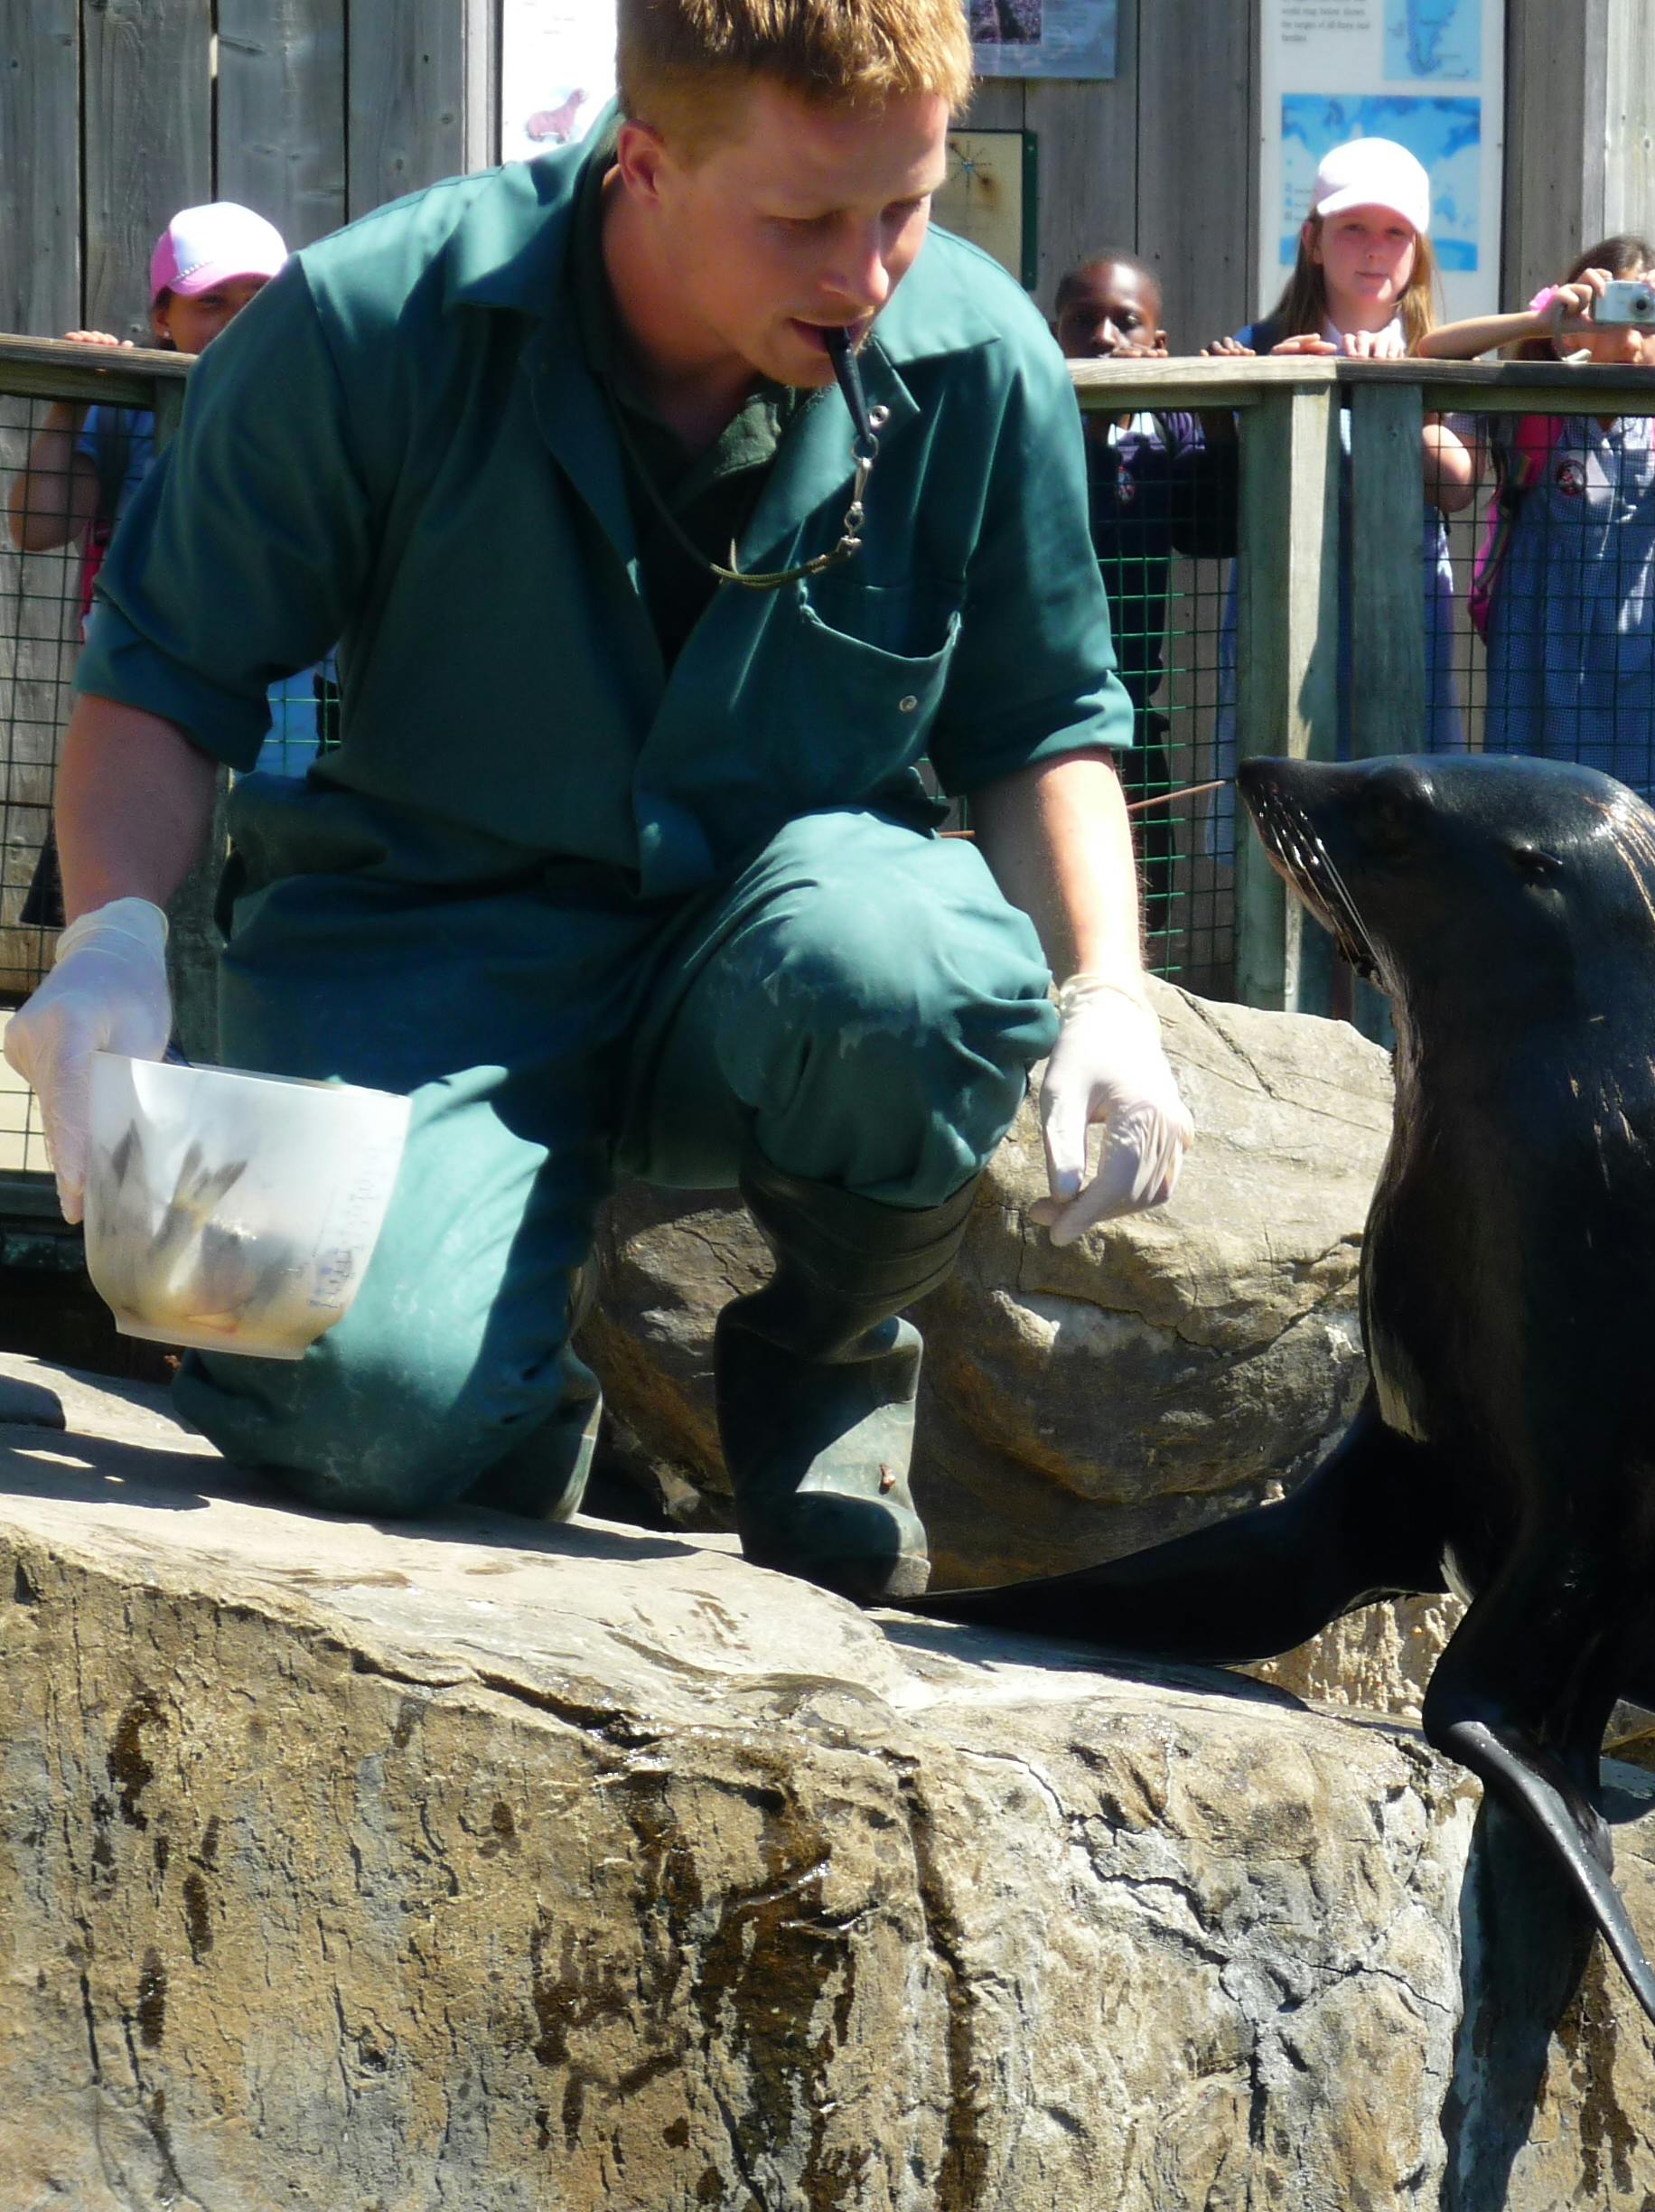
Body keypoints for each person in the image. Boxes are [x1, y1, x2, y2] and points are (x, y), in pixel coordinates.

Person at [4, 0, 1192, 1607]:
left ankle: (822, 1381)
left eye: (905, 206)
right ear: (638, 161)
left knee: (924, 974)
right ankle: (496, 1394)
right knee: (370, 1422)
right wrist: (117, 934)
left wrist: (1104, 990)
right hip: (429, 932)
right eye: (804, 220)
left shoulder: (974, 358)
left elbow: (1042, 724)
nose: (867, 274)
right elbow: (161, 675)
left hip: (775, 938)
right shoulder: (371, 321)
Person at [3, 202, 332, 928]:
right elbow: (36, 525)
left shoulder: (314, 400)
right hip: (148, 674)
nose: (238, 321)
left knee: (271, 857)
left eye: (259, 301)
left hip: (288, 682)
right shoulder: (128, 408)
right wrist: (72, 399)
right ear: (162, 318)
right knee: (138, 871)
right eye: (210, 302)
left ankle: (243, 1017)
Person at [1419, 234, 1655, 818]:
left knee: (1639, 819)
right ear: (1574, 322)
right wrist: (1537, 320)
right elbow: (1429, 350)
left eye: (1648, 317)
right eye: (1611, 315)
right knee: (1530, 817)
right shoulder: (1521, 396)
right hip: (1536, 643)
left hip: (1639, 646)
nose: (1630, 339)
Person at [1210, 136, 1475, 749]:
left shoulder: (1444, 352)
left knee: (1405, 812)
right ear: (1313, 241)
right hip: (1282, 614)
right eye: (1354, 227)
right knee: (1282, 802)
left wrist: (1397, 389)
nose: (1375, 251)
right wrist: (1273, 389)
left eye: (1396, 233)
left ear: (1418, 250)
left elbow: (1457, 489)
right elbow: (1222, 501)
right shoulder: (1258, 344)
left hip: (1405, 616)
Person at [1050, 254, 1238, 945]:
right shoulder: (1033, 417)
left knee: (1143, 873)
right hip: (1038, 701)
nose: (1102, 337)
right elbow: (1057, 517)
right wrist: (1091, 430)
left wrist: (1221, 429)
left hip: (1133, 703)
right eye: (1082, 321)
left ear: (1158, 346)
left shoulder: (1168, 427)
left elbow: (1213, 535)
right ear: (1053, 334)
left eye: (1125, 323)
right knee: (1042, 874)